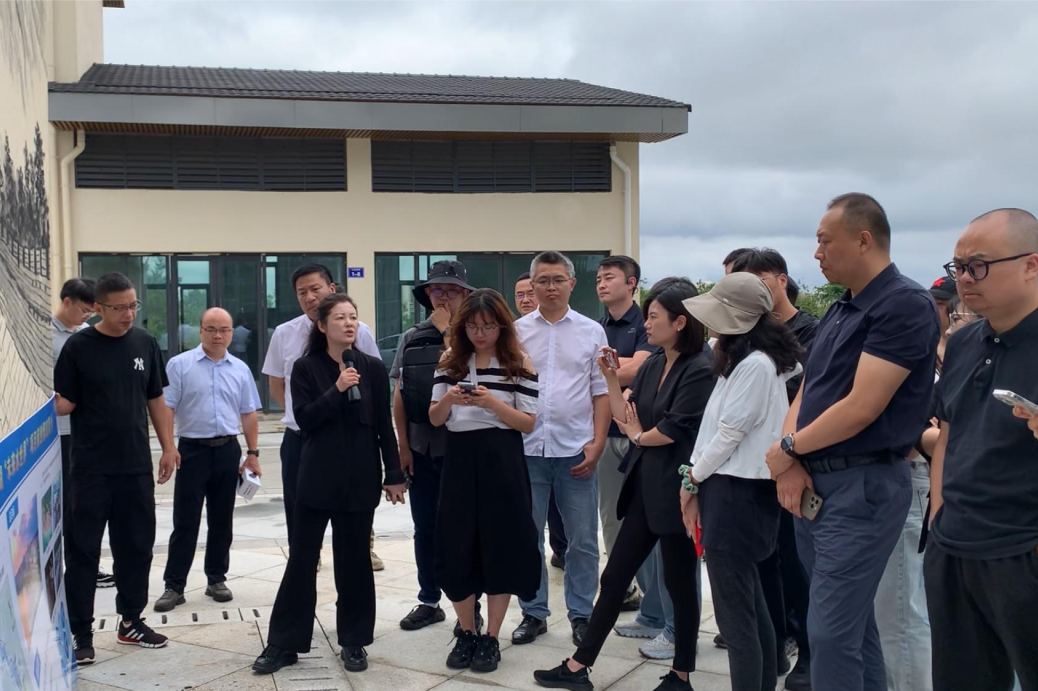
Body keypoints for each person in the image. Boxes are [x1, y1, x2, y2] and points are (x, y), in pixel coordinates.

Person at [764, 193, 940, 691]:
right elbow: (807, 391)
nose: (816, 253)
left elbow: (864, 405)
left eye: (825, 241)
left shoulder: (903, 304)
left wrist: (789, 449)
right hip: (816, 483)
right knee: (852, 628)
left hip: (863, 484)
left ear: (863, 240)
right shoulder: (842, 308)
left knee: (830, 631)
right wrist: (790, 458)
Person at [533, 277, 713, 691]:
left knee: (680, 585)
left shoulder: (700, 369)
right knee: (614, 578)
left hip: (679, 492)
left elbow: (670, 430)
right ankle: (579, 666)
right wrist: (611, 379)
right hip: (646, 488)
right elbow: (623, 412)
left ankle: (681, 675)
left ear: (681, 322)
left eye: (654, 317)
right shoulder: (654, 363)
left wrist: (637, 435)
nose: (646, 324)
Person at [253, 294, 405, 675]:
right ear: (322, 326)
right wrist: (336, 389)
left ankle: (354, 640)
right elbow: (304, 419)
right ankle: (284, 643)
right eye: (340, 318)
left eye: (353, 317)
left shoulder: (371, 367)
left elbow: (383, 425)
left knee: (355, 563)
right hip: (317, 478)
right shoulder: (305, 368)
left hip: (360, 478)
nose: (349, 324)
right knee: (302, 560)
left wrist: (394, 475)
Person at [925, 208, 1038, 691]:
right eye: (959, 267)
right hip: (953, 547)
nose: (965, 279)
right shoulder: (964, 341)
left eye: (979, 265)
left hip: (1022, 548)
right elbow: (948, 435)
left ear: (1031, 265)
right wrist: (938, 517)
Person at [679, 273, 803, 691]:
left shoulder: (753, 365)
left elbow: (728, 434)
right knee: (751, 606)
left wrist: (692, 479)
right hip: (738, 492)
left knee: (737, 618)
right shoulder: (749, 361)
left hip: (736, 494)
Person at [54, 272, 181, 663]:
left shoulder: (144, 342)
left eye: (132, 306)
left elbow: (156, 398)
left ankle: (131, 621)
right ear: (98, 308)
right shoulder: (78, 347)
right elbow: (65, 404)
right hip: (90, 468)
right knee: (83, 552)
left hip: (134, 467)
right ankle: (81, 632)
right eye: (119, 308)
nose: (128, 314)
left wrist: (168, 447)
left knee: (136, 547)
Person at [428, 289, 541, 673]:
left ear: (502, 326)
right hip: (460, 458)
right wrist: (450, 400)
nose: (480, 334)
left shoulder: (518, 361)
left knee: (501, 545)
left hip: (502, 458)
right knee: (456, 544)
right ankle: (466, 630)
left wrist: (492, 402)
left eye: (488, 326)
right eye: (473, 327)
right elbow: (434, 418)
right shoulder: (450, 360)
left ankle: (491, 636)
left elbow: (528, 423)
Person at [727, 248, 820, 687]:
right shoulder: (742, 336)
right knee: (764, 564)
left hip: (793, 460)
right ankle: (776, 644)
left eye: (757, 280)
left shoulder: (811, 331)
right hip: (751, 469)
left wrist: (791, 454)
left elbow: (809, 397)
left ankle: (807, 651)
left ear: (781, 280)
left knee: (795, 562)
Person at [512, 251, 611, 647]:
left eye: (557, 280)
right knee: (527, 536)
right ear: (531, 285)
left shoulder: (592, 331)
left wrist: (598, 443)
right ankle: (533, 612)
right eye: (543, 280)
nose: (550, 287)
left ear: (571, 283)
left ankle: (582, 614)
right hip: (527, 450)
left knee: (582, 539)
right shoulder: (516, 332)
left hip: (576, 451)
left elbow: (600, 391)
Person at [261, 264, 382, 572]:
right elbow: (277, 385)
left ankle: (364, 548)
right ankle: (305, 555)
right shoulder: (285, 334)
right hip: (301, 436)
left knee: (354, 500)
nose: (309, 297)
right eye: (301, 292)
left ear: (331, 289)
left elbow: (373, 379)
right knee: (298, 502)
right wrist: (305, 413)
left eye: (315, 289)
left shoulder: (359, 330)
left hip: (349, 437)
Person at [153, 308, 262, 612]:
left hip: (228, 450)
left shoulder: (240, 368)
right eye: (211, 329)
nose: (218, 336)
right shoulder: (180, 365)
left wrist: (252, 454)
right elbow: (167, 408)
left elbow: (248, 413)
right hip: (192, 451)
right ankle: (174, 586)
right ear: (200, 330)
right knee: (185, 520)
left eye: (224, 330)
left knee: (221, 519)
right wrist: (168, 447)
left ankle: (216, 579)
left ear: (232, 333)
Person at [391, 260, 479, 633]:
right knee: (424, 527)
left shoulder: (477, 334)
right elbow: (398, 393)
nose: (444, 297)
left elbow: (466, 374)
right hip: (422, 447)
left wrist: (447, 332)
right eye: (437, 290)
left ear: (465, 295)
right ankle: (429, 599)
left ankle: (470, 607)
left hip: (462, 447)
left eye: (452, 290)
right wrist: (403, 446)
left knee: (464, 529)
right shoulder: (412, 337)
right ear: (427, 294)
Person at [595, 256, 656, 612]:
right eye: (599, 279)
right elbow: (622, 369)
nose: (601, 284)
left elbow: (640, 368)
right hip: (605, 433)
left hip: (640, 437)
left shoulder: (647, 322)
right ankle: (624, 588)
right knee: (610, 518)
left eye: (609, 277)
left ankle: (655, 602)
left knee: (644, 520)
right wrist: (617, 370)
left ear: (631, 283)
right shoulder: (595, 327)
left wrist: (603, 372)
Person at [52, 278, 115, 590]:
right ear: (66, 302)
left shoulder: (86, 336)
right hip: (57, 434)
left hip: (86, 433)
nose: (87, 316)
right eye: (84, 310)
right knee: (62, 504)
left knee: (84, 503)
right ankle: (66, 568)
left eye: (93, 312)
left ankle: (86, 565)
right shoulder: (46, 337)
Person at [516, 271, 569, 570]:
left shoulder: (584, 330)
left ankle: (562, 551)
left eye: (528, 293)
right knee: (529, 527)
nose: (525, 299)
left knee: (574, 527)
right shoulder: (513, 333)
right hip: (527, 442)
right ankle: (533, 598)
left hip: (570, 444)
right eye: (519, 295)